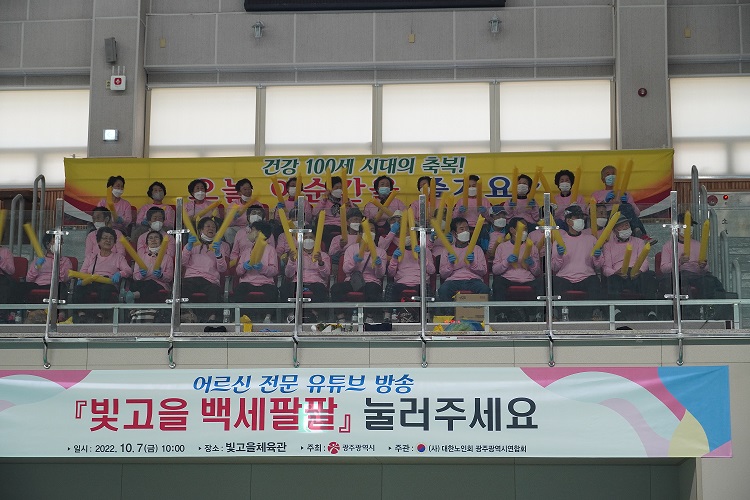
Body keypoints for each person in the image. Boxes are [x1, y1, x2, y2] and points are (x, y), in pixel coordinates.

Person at [550, 205, 603, 318]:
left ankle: (596, 312)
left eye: (581, 217)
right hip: (565, 278)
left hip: (586, 277)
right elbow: (554, 267)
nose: (581, 220)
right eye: (577, 217)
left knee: (594, 281)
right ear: (568, 221)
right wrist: (559, 256)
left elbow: (598, 266)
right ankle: (555, 314)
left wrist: (597, 257)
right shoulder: (559, 241)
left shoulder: (591, 239)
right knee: (555, 282)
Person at [601, 213, 658, 318]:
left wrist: (639, 270)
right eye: (621, 226)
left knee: (649, 277)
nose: (625, 228)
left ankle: (651, 311)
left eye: (626, 225)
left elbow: (645, 262)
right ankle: (616, 311)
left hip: (636, 273)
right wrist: (615, 272)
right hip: (619, 274)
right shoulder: (608, 246)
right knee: (611, 280)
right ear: (614, 230)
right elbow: (606, 268)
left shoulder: (639, 242)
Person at [659, 212, 725, 300]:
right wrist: (679, 262)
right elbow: (664, 269)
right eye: (684, 225)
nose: (688, 228)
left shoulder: (698, 245)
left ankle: (708, 307)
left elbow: (705, 268)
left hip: (696, 276)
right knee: (679, 283)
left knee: (711, 282)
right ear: (677, 228)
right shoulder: (668, 246)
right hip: (677, 276)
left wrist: (702, 266)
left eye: (690, 225)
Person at [331, 221, 387, 323]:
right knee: (336, 288)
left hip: (371, 281)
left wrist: (379, 265)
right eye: (366, 231)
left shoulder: (381, 252)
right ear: (360, 233)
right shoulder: (351, 249)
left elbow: (380, 275)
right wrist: (354, 261)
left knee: (373, 289)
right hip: (353, 281)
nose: (369, 233)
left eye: (372, 230)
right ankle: (340, 317)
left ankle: (369, 317)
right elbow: (346, 269)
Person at [74, 227, 132, 323]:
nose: (108, 241)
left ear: (114, 242)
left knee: (105, 289)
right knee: (79, 288)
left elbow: (128, 270)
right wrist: (81, 279)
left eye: (111, 238)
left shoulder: (119, 257)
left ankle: (100, 316)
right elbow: (83, 271)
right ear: (98, 241)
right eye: (105, 238)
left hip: (108, 283)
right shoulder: (91, 257)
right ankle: (81, 315)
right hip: (92, 281)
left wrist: (119, 273)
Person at [181, 216, 229, 323]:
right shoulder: (191, 244)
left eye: (213, 227)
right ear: (201, 230)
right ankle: (187, 314)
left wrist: (218, 254)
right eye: (208, 226)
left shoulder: (219, 246)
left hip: (209, 279)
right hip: (191, 278)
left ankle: (212, 317)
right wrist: (188, 248)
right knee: (181, 288)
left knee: (215, 291)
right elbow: (182, 263)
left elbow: (222, 269)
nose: (211, 228)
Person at [284, 224, 331, 323]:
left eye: (311, 237)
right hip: (298, 281)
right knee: (286, 288)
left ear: (316, 240)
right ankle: (291, 314)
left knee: (320, 289)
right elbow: (288, 274)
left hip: (316, 282)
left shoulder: (323, 255)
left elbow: (326, 274)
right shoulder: (295, 254)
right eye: (305, 237)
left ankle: (314, 314)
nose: (308, 240)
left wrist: (320, 262)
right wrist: (291, 260)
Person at [436, 217, 490, 303]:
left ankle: (478, 311)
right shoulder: (447, 250)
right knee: (443, 290)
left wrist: (473, 263)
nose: (466, 231)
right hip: (453, 280)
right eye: (461, 229)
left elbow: (483, 271)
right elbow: (442, 274)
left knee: (484, 289)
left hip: (473, 280)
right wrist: (450, 264)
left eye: (467, 228)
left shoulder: (477, 249)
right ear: (454, 233)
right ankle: (449, 312)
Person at [234, 220, 279, 323]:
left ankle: (267, 317)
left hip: (265, 282)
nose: (249, 232)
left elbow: (274, 271)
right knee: (239, 290)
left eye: (252, 230)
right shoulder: (246, 251)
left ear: (259, 232)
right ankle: (243, 317)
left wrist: (262, 268)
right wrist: (244, 267)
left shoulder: (271, 250)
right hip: (247, 281)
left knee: (273, 291)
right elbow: (238, 272)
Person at [591, 165, 651, 241]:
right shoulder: (597, 194)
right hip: (606, 218)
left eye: (613, 174)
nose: (611, 176)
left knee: (626, 206)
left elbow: (637, 213)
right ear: (603, 179)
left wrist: (626, 203)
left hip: (623, 219)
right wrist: (605, 201)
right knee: (625, 207)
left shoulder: (625, 193)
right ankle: (639, 233)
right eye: (608, 174)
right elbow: (590, 211)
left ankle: (638, 232)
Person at [492, 217, 542, 306]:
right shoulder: (502, 247)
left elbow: (537, 272)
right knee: (498, 282)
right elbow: (495, 270)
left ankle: (539, 312)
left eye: (526, 229)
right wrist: (506, 262)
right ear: (512, 230)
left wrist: (532, 264)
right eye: (522, 228)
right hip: (508, 279)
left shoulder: (532, 247)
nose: (525, 231)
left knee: (541, 282)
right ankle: (501, 312)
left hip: (528, 279)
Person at [386, 232, 435, 322]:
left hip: (420, 282)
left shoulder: (425, 250)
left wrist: (422, 256)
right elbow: (390, 273)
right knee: (390, 286)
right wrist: (394, 259)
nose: (408, 237)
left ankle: (427, 316)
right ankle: (387, 315)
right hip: (401, 282)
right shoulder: (398, 251)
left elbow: (432, 271)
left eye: (410, 235)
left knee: (426, 289)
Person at [128, 230, 175, 310]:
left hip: (160, 284)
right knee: (135, 285)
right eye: (150, 238)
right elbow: (135, 276)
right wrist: (141, 275)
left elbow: (169, 277)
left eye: (156, 238)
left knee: (151, 284)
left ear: (161, 242)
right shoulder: (141, 257)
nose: (153, 240)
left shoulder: (167, 258)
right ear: (147, 243)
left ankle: (133, 296)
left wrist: (161, 275)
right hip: (143, 283)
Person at [22, 233, 73, 302]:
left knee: (61, 287)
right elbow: (29, 279)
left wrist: (58, 262)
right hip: (38, 285)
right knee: (22, 287)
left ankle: (59, 308)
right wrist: (36, 267)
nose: (59, 246)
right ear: (48, 244)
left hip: (56, 285)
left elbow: (65, 278)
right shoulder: (39, 259)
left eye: (60, 243)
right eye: (55, 243)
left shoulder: (65, 260)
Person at [312, 175, 359, 249]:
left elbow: (354, 213)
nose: (339, 190)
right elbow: (314, 213)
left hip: (342, 226)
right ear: (329, 189)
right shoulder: (324, 200)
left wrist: (349, 206)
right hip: (327, 226)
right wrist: (324, 199)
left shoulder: (345, 200)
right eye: (336, 188)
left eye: (340, 188)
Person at [225, 178, 269, 245]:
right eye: (245, 189)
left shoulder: (257, 204)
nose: (248, 191)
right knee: (228, 231)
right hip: (239, 229)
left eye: (249, 189)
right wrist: (233, 217)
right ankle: (234, 248)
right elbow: (227, 224)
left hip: (254, 229)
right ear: (239, 193)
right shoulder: (233, 205)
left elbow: (264, 220)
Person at [0, 243, 15, 321]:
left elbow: (11, 271)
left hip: (2, 278)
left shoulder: (5, 252)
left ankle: (2, 314)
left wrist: (1, 261)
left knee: (3, 287)